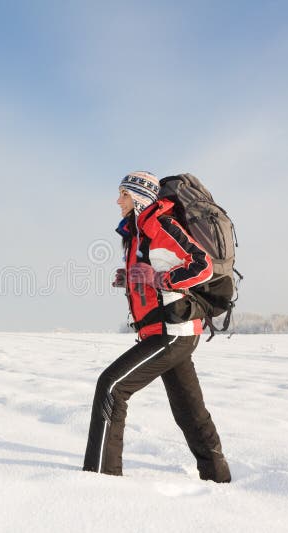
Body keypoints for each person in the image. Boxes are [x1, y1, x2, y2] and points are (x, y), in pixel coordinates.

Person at [82, 171, 231, 482]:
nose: (117, 200)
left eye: (123, 194)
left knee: (111, 387)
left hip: (172, 332)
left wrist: (161, 279)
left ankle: (99, 480)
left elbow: (200, 265)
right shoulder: (140, 231)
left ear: (138, 197)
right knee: (190, 412)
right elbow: (157, 269)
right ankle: (218, 479)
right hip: (167, 330)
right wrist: (132, 278)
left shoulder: (158, 223)